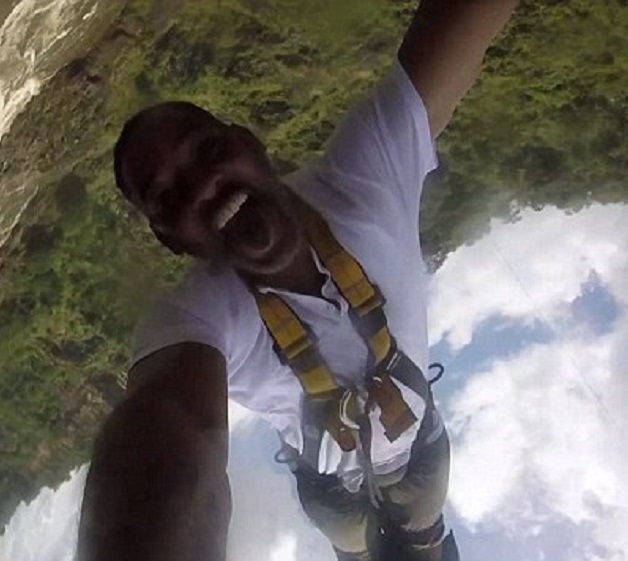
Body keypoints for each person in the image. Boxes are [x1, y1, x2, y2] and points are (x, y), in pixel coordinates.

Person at [76, 1, 518, 560]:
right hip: (346, 481)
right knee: (369, 544)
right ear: (172, 240)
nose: (204, 185)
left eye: (209, 150)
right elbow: (166, 457)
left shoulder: (366, 179)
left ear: (249, 142)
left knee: (418, 536)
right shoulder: (195, 317)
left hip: (397, 457)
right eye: (169, 196)